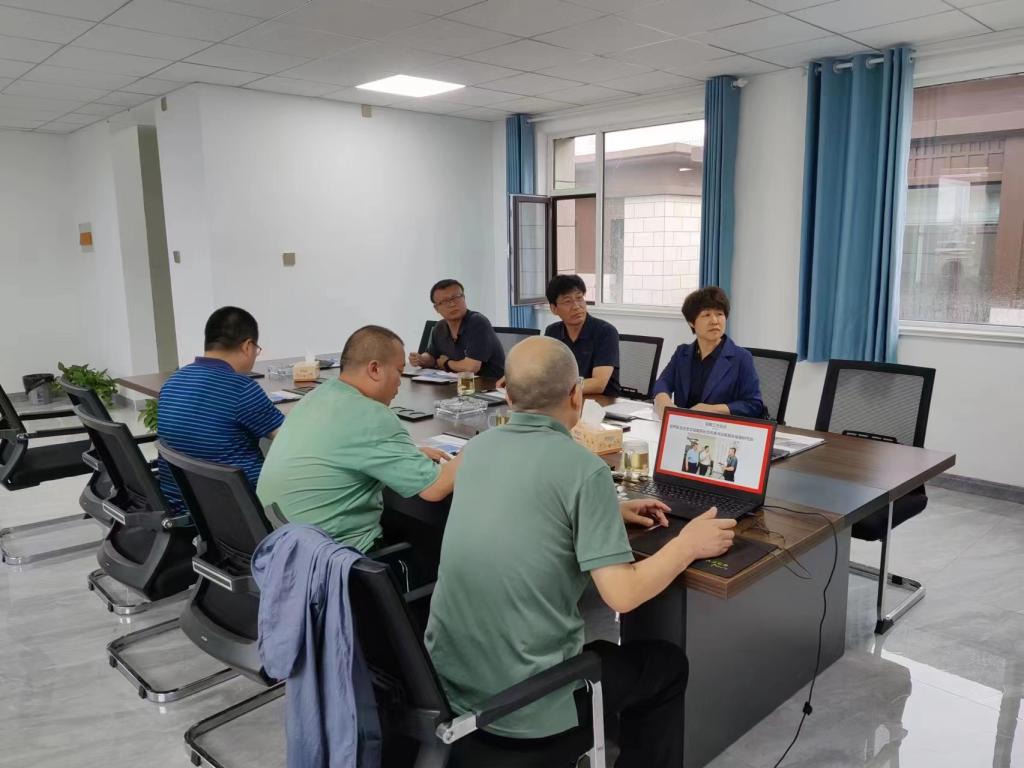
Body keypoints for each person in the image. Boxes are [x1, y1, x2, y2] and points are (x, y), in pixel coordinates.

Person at [425, 336, 736, 767]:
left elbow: (525, 499)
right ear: (576, 395)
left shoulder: (477, 448)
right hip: (526, 704)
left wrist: (608, 512)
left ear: (507, 395)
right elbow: (622, 595)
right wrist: (687, 544)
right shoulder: (584, 470)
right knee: (666, 666)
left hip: (448, 685)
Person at [258, 325, 460, 552]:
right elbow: (435, 488)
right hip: (338, 557)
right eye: (399, 371)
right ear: (375, 369)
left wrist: (406, 455)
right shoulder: (371, 415)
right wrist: (474, 451)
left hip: (283, 546)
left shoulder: (317, 395)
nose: (399, 382)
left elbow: (345, 448)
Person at [158, 306, 283, 514]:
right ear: (247, 346)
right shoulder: (241, 388)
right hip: (240, 513)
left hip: (182, 507)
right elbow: (289, 440)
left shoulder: (173, 381)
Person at [652, 286, 763, 418]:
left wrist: (713, 409)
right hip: (684, 425)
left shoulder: (742, 358)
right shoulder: (682, 353)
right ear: (691, 322)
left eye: (719, 314)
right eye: (706, 315)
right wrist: (664, 403)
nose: (715, 321)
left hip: (720, 427)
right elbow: (663, 383)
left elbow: (754, 405)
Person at [408, 279, 504, 379]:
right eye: (445, 301)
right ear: (436, 308)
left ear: (464, 298)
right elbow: (433, 356)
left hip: (490, 385)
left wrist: (446, 363)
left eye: (456, 298)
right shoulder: (440, 327)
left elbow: (471, 367)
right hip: (458, 384)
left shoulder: (477, 322)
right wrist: (421, 359)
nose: (452, 304)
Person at [544, 274, 621, 396]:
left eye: (579, 298)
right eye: (567, 301)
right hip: (565, 399)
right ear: (554, 309)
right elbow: (546, 372)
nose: (576, 306)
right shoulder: (552, 332)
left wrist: (558, 388)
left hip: (601, 402)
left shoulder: (606, 332)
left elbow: (598, 384)